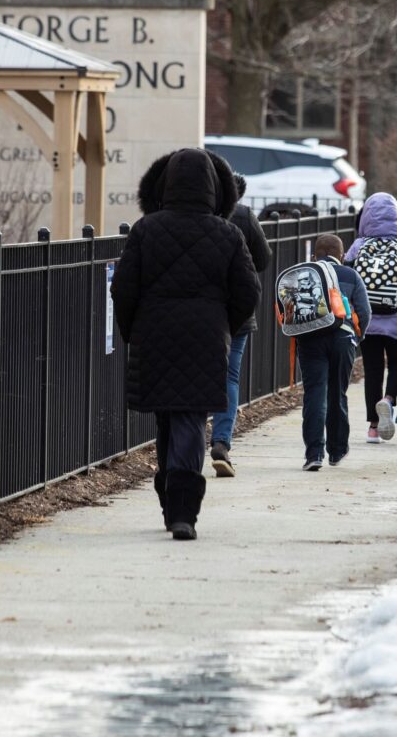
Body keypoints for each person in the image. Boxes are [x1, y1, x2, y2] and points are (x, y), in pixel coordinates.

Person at [112, 148, 260, 541]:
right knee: (191, 419)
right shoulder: (227, 233)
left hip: (154, 332)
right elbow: (249, 291)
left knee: (165, 417)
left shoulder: (146, 230)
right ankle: (184, 509)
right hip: (207, 336)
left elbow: (123, 289)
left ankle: (170, 499)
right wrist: (222, 323)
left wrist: (133, 331)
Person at [345, 192, 397, 443]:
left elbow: (346, 281)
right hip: (395, 319)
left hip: (366, 319)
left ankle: (373, 427)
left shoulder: (358, 246)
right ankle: (388, 400)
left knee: (372, 369)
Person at [209, 173, 271, 478]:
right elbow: (263, 259)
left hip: (204, 311)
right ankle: (221, 441)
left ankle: (190, 442)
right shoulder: (244, 216)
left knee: (197, 373)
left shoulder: (200, 216)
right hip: (239, 311)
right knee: (230, 376)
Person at [292, 234, 371, 471]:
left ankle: (314, 454)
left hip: (310, 338)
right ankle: (337, 451)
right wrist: (357, 337)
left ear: (314, 256)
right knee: (337, 392)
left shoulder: (305, 273)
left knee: (315, 393)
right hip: (342, 338)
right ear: (342, 255)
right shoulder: (350, 275)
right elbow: (365, 312)